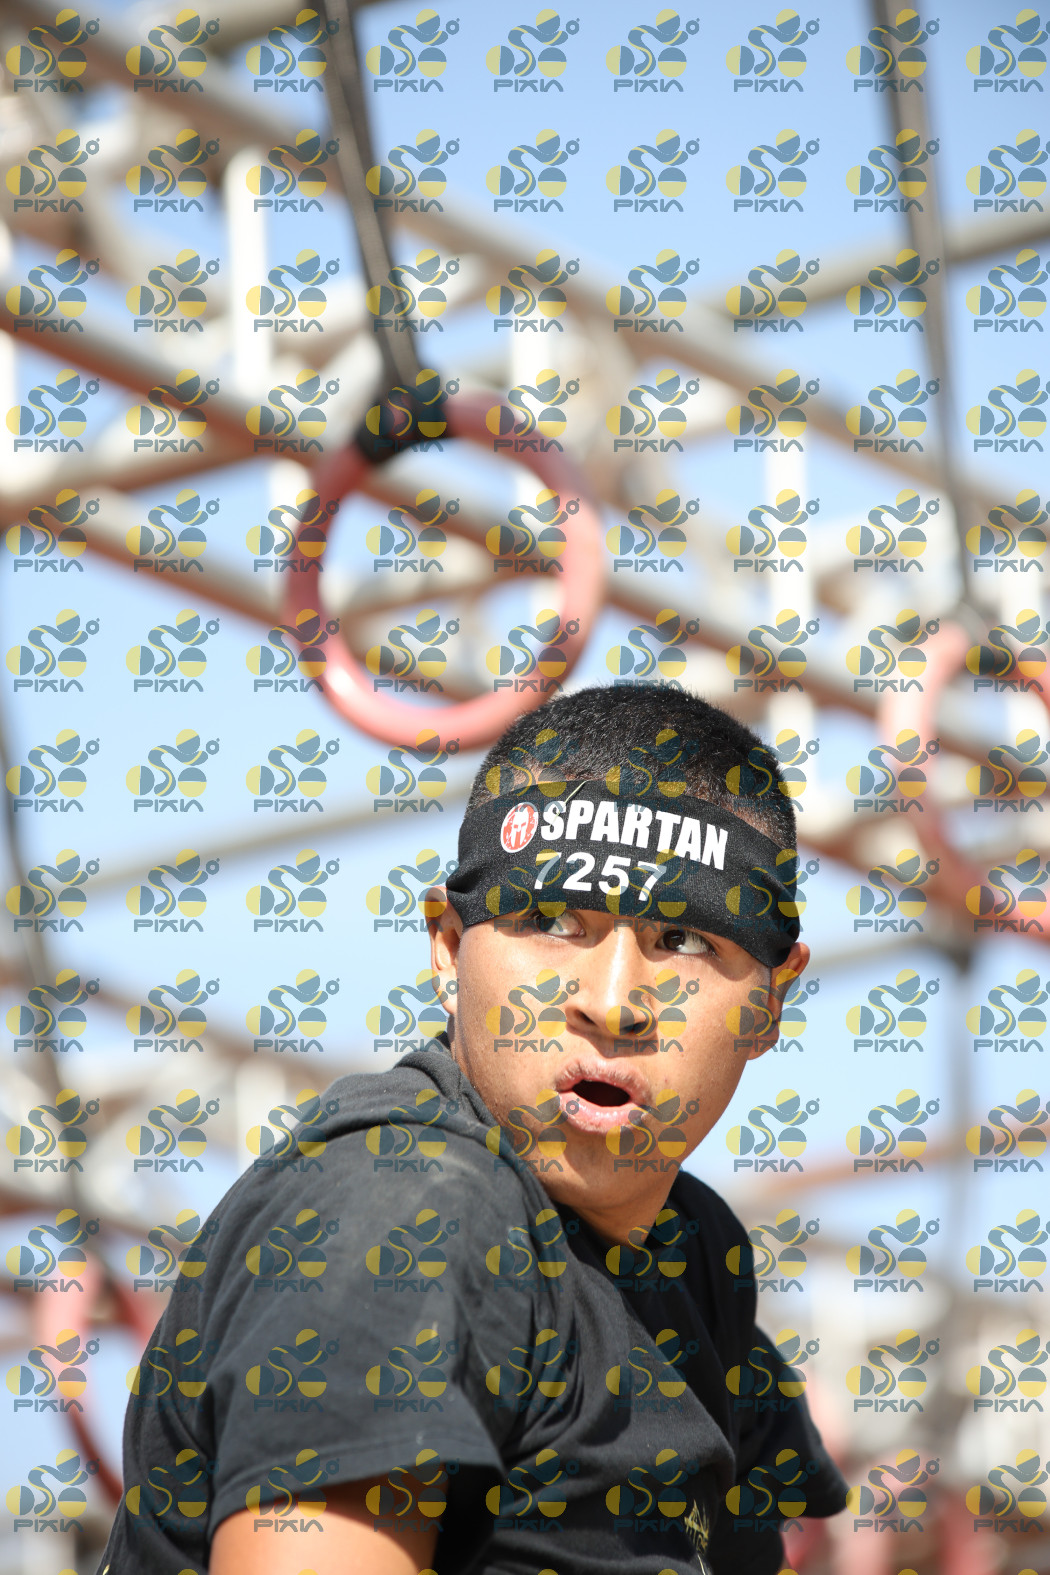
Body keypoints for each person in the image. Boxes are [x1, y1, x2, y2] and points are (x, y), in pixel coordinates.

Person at [98, 683, 847, 1575]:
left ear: (771, 1001)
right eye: (552, 921)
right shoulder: (407, 1207)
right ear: (448, 949)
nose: (613, 1002)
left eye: (685, 941)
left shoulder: (695, 1254)